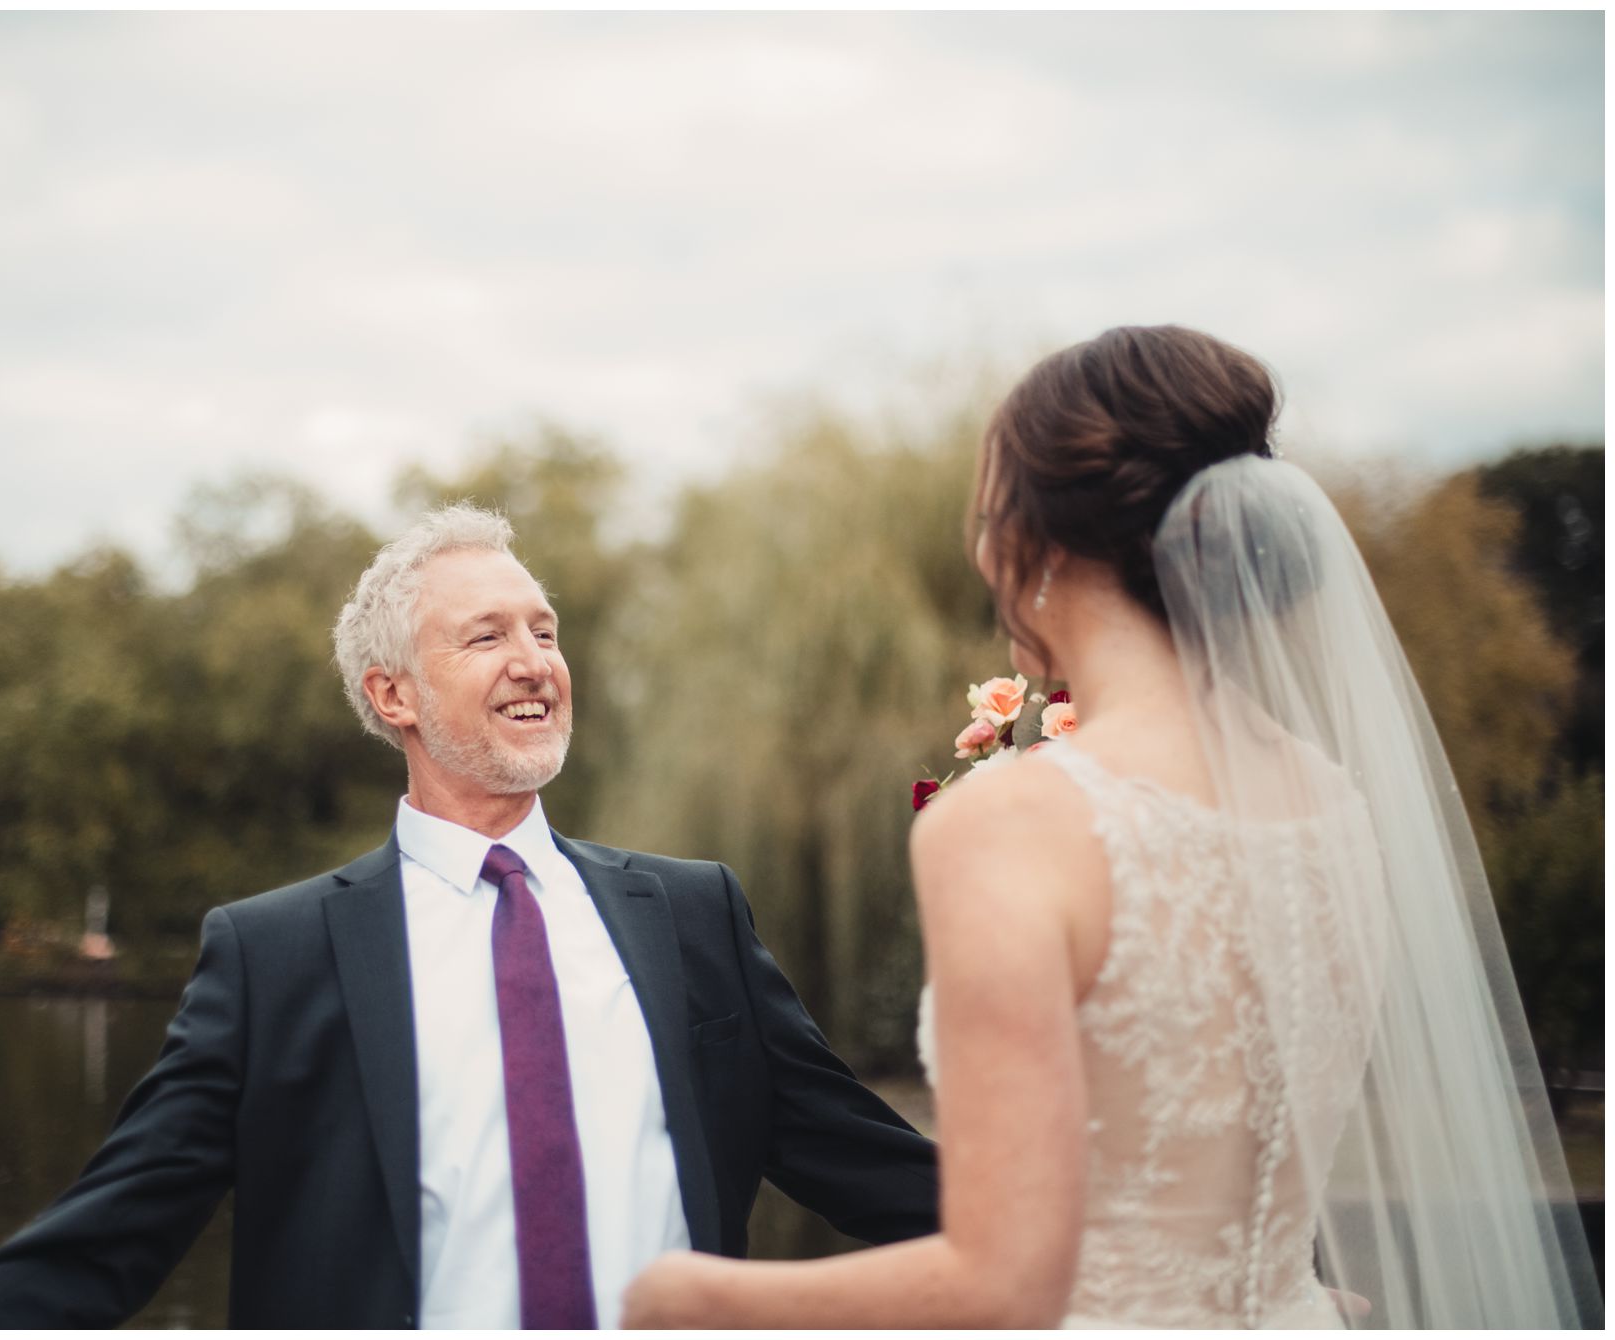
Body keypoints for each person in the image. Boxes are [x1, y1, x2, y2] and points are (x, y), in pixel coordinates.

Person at [622, 325, 1603, 1328]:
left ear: (1031, 541)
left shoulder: (1013, 818)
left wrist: (684, 1291)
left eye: (985, 508)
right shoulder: (1330, 801)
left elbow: (1004, 1282)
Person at [0, 505, 937, 1329]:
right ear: (393, 696)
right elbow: (107, 1237)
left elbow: (868, 1165)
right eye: (485, 635)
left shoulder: (692, 913)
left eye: (543, 628)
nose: (533, 659)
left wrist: (1093, 1243)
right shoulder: (274, 955)